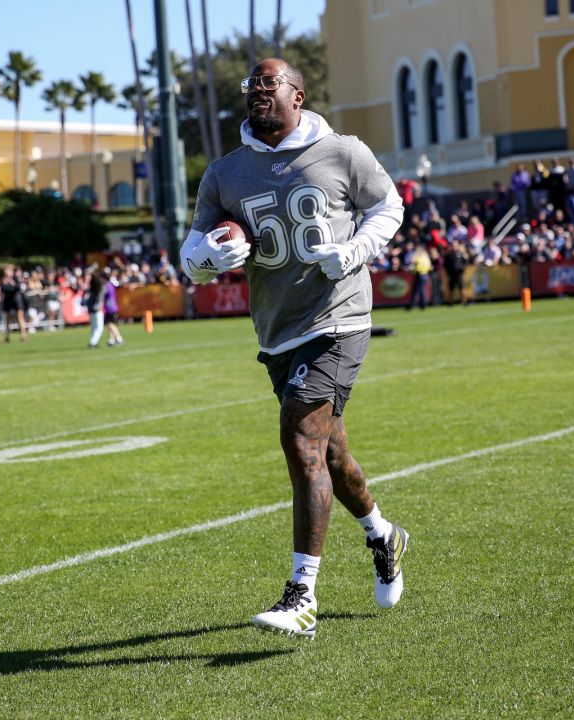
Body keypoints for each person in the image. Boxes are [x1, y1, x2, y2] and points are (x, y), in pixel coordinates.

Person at [182, 58, 410, 640]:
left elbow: (389, 206)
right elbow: (190, 256)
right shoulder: (225, 173)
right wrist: (208, 258)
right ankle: (383, 533)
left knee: (300, 437)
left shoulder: (342, 151)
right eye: (250, 84)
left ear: (297, 94)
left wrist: (356, 250)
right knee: (331, 455)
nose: (258, 91)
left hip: (339, 317)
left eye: (269, 82)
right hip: (277, 328)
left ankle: (301, 596)